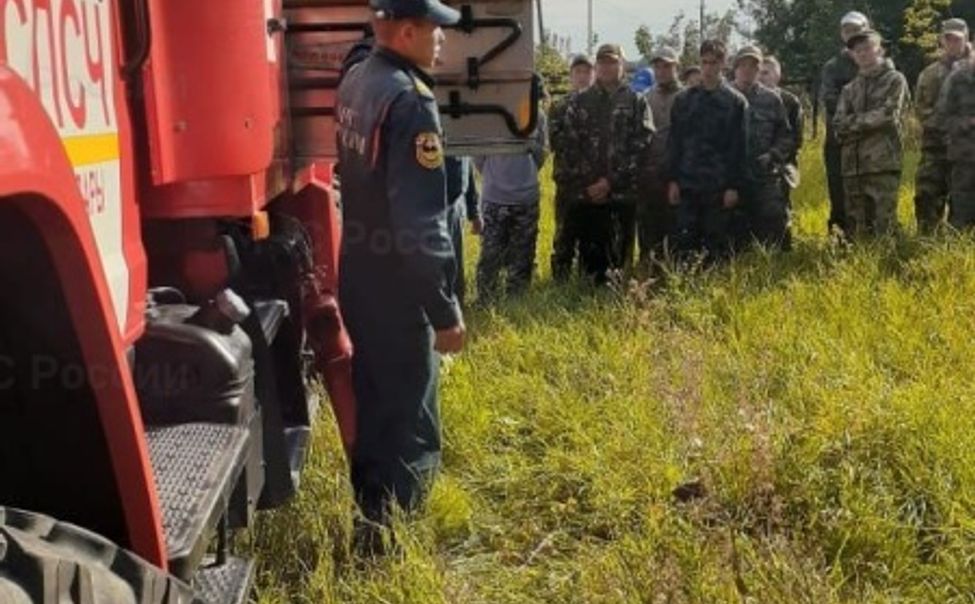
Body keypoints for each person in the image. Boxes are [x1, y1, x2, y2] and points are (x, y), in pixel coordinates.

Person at [335, 0, 465, 539]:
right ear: (406, 31)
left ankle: (370, 515)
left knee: (375, 403)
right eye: (435, 31)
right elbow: (420, 223)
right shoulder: (411, 103)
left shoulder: (358, 79)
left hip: (361, 273)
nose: (441, 41)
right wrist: (444, 310)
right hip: (397, 284)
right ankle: (397, 541)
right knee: (410, 419)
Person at [561, 43, 654, 282]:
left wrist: (610, 182)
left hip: (622, 194)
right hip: (588, 195)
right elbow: (570, 146)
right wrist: (591, 184)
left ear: (622, 66)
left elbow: (643, 145)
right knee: (590, 264)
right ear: (596, 65)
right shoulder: (580, 101)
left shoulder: (636, 101)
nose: (607, 67)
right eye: (602, 62)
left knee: (619, 263)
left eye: (613, 62)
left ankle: (615, 309)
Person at [668, 39, 749, 261]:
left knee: (717, 246)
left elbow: (739, 148)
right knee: (685, 245)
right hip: (688, 183)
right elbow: (675, 142)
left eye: (713, 63)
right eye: (704, 63)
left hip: (719, 186)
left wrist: (733, 186)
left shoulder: (735, 102)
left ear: (723, 64)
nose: (708, 69)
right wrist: (672, 180)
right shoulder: (684, 100)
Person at [833, 29, 910, 238]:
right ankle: (861, 267)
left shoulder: (895, 80)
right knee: (857, 229)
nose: (862, 53)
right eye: (857, 51)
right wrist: (865, 122)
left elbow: (888, 115)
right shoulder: (849, 89)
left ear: (880, 49)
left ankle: (887, 267)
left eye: (867, 48)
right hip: (853, 167)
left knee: (885, 226)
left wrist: (854, 123)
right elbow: (838, 124)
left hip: (882, 163)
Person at [474, 112, 548, 300]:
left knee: (523, 256)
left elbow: (542, 153)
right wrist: (494, 177)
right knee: (490, 256)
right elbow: (478, 155)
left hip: (526, 197)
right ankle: (486, 300)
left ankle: (517, 302)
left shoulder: (536, 115)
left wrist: (526, 168)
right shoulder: (487, 114)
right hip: (494, 197)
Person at [733, 45, 794, 250]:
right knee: (734, 232)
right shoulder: (725, 97)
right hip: (732, 177)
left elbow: (786, 136)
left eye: (754, 66)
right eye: (744, 65)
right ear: (736, 67)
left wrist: (772, 155)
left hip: (764, 176)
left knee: (773, 224)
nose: (748, 70)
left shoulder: (772, 99)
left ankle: (771, 269)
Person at [914, 18, 972, 234]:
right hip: (935, 147)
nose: (953, 43)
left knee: (964, 202)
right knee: (927, 196)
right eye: (948, 39)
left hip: (968, 149)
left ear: (966, 39)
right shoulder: (929, 74)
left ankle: (960, 246)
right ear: (941, 41)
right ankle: (927, 243)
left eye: (957, 39)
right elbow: (921, 109)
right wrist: (948, 126)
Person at [821, 11, 870, 235]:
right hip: (839, 142)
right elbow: (830, 100)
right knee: (839, 194)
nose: (852, 34)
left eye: (856, 29)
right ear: (842, 34)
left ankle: (870, 236)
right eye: (847, 30)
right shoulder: (832, 66)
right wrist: (861, 106)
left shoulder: (875, 63)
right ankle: (840, 240)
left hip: (872, 142)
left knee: (870, 192)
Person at [550, 54, 595, 281]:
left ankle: (586, 279)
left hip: (592, 183)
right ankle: (560, 279)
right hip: (567, 181)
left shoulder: (599, 104)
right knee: (564, 233)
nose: (582, 77)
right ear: (571, 76)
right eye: (578, 72)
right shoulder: (559, 106)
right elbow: (555, 142)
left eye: (587, 72)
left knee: (590, 233)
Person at [637, 46, 682, 264]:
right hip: (649, 176)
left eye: (667, 66)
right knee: (648, 233)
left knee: (675, 234)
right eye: (657, 66)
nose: (661, 71)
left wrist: (678, 177)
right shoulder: (644, 98)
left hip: (678, 177)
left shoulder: (687, 98)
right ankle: (646, 280)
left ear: (676, 67)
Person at [937, 24, 975, 230]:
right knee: (962, 210)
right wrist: (968, 123)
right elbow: (943, 117)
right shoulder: (957, 78)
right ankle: (956, 254)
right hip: (964, 156)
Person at [444, 156, 481, 305]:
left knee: (456, 268)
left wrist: (474, 212)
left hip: (457, 207)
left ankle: (456, 313)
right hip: (432, 207)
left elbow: (468, 170)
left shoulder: (460, 136)